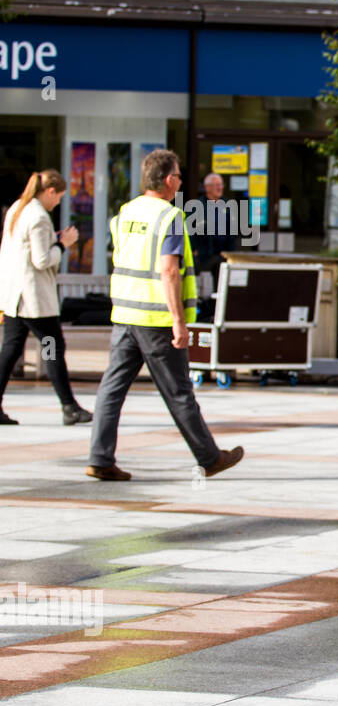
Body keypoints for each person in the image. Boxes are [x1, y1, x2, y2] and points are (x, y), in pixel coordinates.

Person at [86, 149, 243, 481]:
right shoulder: (169, 217)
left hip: (125, 314)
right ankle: (210, 457)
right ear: (169, 180)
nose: (181, 182)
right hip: (157, 320)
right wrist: (179, 321)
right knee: (179, 391)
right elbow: (169, 272)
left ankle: (99, 458)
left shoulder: (125, 213)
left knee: (111, 388)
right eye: (179, 176)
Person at [0, 169, 95, 426]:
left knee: (10, 350)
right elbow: (42, 260)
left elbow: (25, 247)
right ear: (50, 191)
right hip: (35, 302)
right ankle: (69, 407)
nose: (58, 203)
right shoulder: (40, 216)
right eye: (59, 197)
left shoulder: (18, 208)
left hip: (14, 298)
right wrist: (64, 245)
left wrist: (54, 240)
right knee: (53, 349)